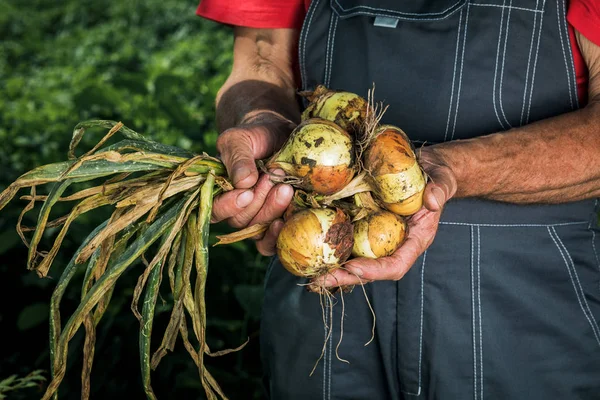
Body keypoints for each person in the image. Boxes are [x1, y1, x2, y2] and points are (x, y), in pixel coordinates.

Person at [197, 0, 600, 398]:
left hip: (522, 309)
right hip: (324, 301)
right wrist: (258, 119)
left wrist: (453, 169)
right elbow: (260, 59)